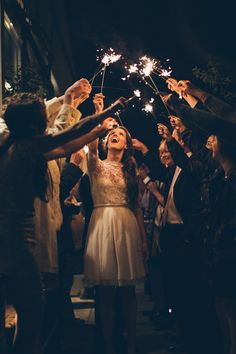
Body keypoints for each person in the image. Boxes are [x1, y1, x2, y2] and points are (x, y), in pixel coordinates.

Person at [0, 91, 126, 354]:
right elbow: (68, 135)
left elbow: (66, 146)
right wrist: (106, 111)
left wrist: (97, 131)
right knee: (30, 322)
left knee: (14, 321)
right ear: (35, 122)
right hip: (19, 249)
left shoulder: (10, 144)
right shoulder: (27, 146)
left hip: (7, 245)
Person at [83, 94, 148, 354]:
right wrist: (99, 111)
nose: (115, 134)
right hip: (101, 224)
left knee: (128, 292)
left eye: (120, 133)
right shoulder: (96, 164)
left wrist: (143, 239)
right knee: (106, 293)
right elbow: (88, 141)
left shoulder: (131, 171)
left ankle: (131, 344)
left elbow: (136, 209)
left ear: (127, 144)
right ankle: (109, 346)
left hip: (125, 227)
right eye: (113, 132)